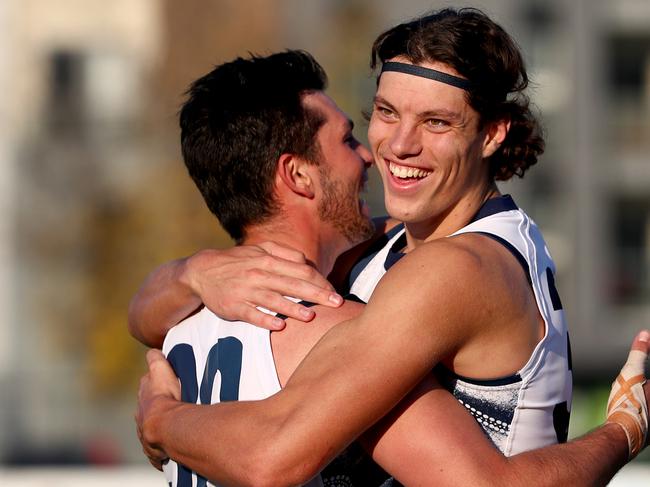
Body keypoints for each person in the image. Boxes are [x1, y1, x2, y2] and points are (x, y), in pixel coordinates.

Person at [133, 8, 649, 486]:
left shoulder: (458, 269)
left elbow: (272, 454)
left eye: (436, 122)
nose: (398, 145)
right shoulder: (381, 245)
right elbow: (144, 315)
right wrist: (193, 273)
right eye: (385, 112)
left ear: (492, 134)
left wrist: (163, 420)